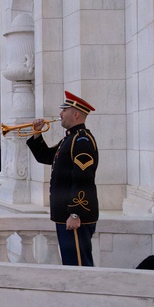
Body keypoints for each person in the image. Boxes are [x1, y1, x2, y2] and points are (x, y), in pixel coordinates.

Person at [26, 91, 99, 267]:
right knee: (71, 263)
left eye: (64, 110)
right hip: (65, 215)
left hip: (74, 216)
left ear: (76, 114)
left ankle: (84, 294)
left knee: (79, 266)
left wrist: (75, 213)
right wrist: (37, 134)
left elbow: (83, 179)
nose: (60, 114)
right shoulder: (70, 139)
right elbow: (46, 156)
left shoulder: (81, 140)